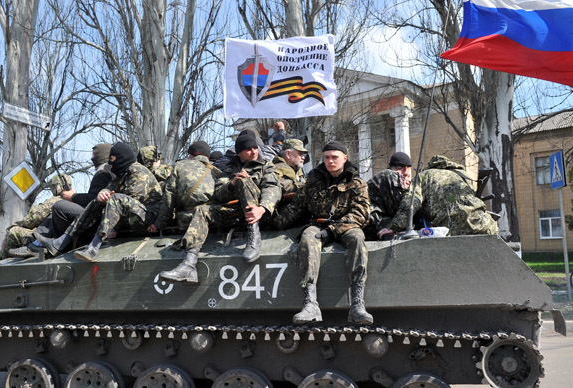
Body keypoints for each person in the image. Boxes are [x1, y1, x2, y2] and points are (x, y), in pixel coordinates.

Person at [159, 130, 281, 283]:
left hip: (259, 215)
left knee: (245, 181)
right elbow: (218, 194)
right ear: (239, 153)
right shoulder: (229, 169)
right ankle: (189, 264)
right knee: (202, 210)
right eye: (248, 149)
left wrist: (262, 208)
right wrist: (231, 184)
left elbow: (273, 188)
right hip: (235, 214)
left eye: (255, 148)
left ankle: (254, 238)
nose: (253, 152)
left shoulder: (266, 166)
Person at [275, 140, 372, 325]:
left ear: (345, 158)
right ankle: (310, 303)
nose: (330, 161)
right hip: (318, 225)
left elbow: (362, 213)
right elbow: (297, 208)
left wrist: (333, 231)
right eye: (327, 157)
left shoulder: (356, 183)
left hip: (346, 226)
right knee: (307, 236)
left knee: (358, 238)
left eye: (335, 157)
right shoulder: (314, 181)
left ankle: (357, 304)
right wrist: (270, 219)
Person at [37, 142, 163, 261]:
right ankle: (61, 241)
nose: (110, 163)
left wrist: (114, 227)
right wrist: (102, 193)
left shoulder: (140, 173)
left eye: (112, 159)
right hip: (131, 215)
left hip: (148, 218)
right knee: (96, 201)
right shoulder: (122, 174)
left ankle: (93, 247)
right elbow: (109, 189)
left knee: (115, 198)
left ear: (122, 158)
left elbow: (126, 202)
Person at [391, 155, 498, 236]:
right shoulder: (462, 176)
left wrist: (393, 227)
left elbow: (410, 202)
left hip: (451, 230)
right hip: (484, 225)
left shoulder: (424, 176)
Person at [147, 140, 221, 233]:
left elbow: (169, 198)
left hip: (189, 223)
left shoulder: (180, 166)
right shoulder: (216, 171)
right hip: (214, 221)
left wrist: (158, 225)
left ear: (192, 155)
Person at [4, 174, 72, 257]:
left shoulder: (55, 201)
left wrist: (16, 225)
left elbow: (32, 219)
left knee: (12, 232)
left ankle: (3, 260)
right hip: (63, 241)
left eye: (53, 187)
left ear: (57, 187)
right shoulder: (75, 201)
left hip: (45, 239)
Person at [366, 152, 412, 240]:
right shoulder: (390, 175)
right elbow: (398, 206)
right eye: (406, 176)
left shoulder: (384, 175)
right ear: (406, 168)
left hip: (372, 220)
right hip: (374, 221)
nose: (408, 180)